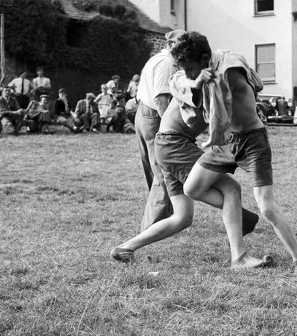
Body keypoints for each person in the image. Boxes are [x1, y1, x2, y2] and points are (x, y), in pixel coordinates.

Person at [169, 31, 297, 277]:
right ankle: (235, 226)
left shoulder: (228, 69)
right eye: (186, 70)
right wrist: (194, 81)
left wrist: (201, 82)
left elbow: (220, 98)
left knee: (266, 208)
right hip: (224, 142)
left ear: (205, 58)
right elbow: (179, 81)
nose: (189, 74)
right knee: (191, 188)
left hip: (252, 141)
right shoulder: (199, 72)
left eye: (191, 69)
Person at [111, 99, 265, 269]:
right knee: (231, 189)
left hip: (167, 144)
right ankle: (239, 257)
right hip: (175, 144)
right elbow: (220, 130)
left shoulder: (204, 81)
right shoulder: (204, 82)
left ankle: (125, 248)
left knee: (182, 217)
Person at [135, 29, 187, 232]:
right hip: (154, 117)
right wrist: (170, 129)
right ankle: (153, 227)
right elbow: (161, 99)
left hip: (144, 114)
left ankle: (163, 216)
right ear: (172, 45)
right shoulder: (167, 63)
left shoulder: (157, 59)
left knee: (153, 169)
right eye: (182, 45)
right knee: (163, 171)